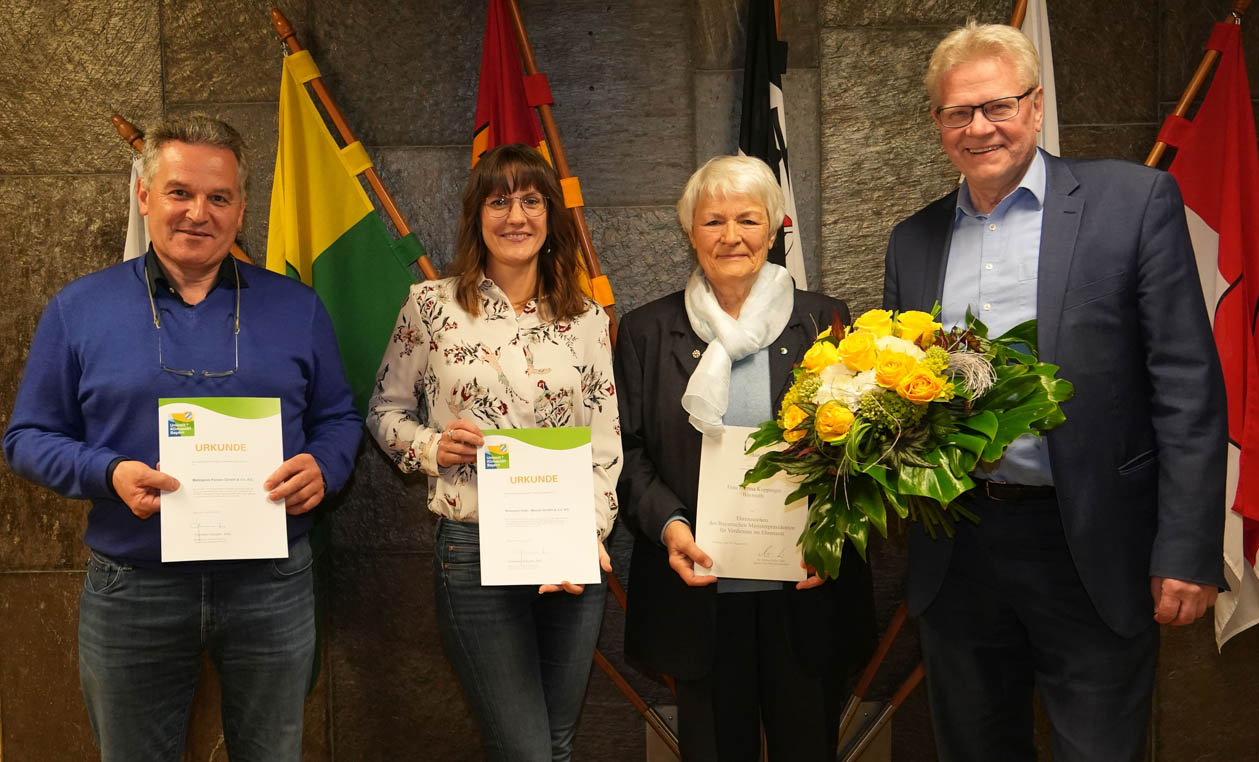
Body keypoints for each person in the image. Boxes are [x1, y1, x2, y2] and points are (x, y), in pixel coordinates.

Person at [883, 21, 1227, 762]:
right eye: (957, 112)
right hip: (959, 548)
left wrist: (1188, 547)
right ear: (937, 123)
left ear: (1034, 107)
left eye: (997, 106)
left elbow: (1186, 385)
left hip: (1094, 545)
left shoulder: (1130, 202)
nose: (978, 127)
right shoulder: (911, 240)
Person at [2, 115, 362, 761]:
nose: (199, 212)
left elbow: (339, 418)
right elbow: (26, 437)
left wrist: (325, 467)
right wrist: (106, 473)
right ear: (145, 196)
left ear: (241, 207)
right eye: (180, 193)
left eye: (218, 197)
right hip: (133, 586)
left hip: (271, 585)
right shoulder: (79, 308)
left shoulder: (297, 307)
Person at [615, 155, 876, 762]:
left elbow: (869, 450)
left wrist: (832, 531)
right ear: (690, 232)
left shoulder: (827, 321)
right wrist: (671, 526)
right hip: (698, 592)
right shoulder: (647, 331)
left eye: (747, 219)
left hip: (806, 590)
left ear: (774, 227)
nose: (731, 236)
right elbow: (626, 452)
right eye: (713, 221)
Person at [366, 143, 620, 762]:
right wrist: (431, 445)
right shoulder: (430, 306)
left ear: (550, 216)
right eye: (498, 200)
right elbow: (383, 412)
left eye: (531, 200)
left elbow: (605, 441)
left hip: (571, 545)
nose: (516, 216)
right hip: (474, 547)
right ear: (476, 215)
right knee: (525, 751)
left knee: (556, 745)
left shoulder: (585, 318)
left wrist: (587, 531)